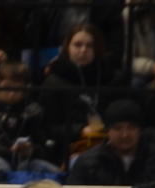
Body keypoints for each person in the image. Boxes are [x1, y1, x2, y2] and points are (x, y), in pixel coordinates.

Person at [42, 21, 126, 152]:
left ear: (97, 49)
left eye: (89, 46)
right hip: (69, 147)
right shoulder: (54, 81)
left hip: (111, 144)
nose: (83, 50)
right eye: (77, 45)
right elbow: (49, 127)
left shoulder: (112, 79)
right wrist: (80, 130)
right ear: (67, 47)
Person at [0, 61, 61, 180]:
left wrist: (31, 149)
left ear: (27, 88)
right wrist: (8, 151)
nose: (11, 94)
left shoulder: (35, 111)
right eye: (7, 88)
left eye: (18, 89)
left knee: (52, 171)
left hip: (27, 160)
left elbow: (44, 146)